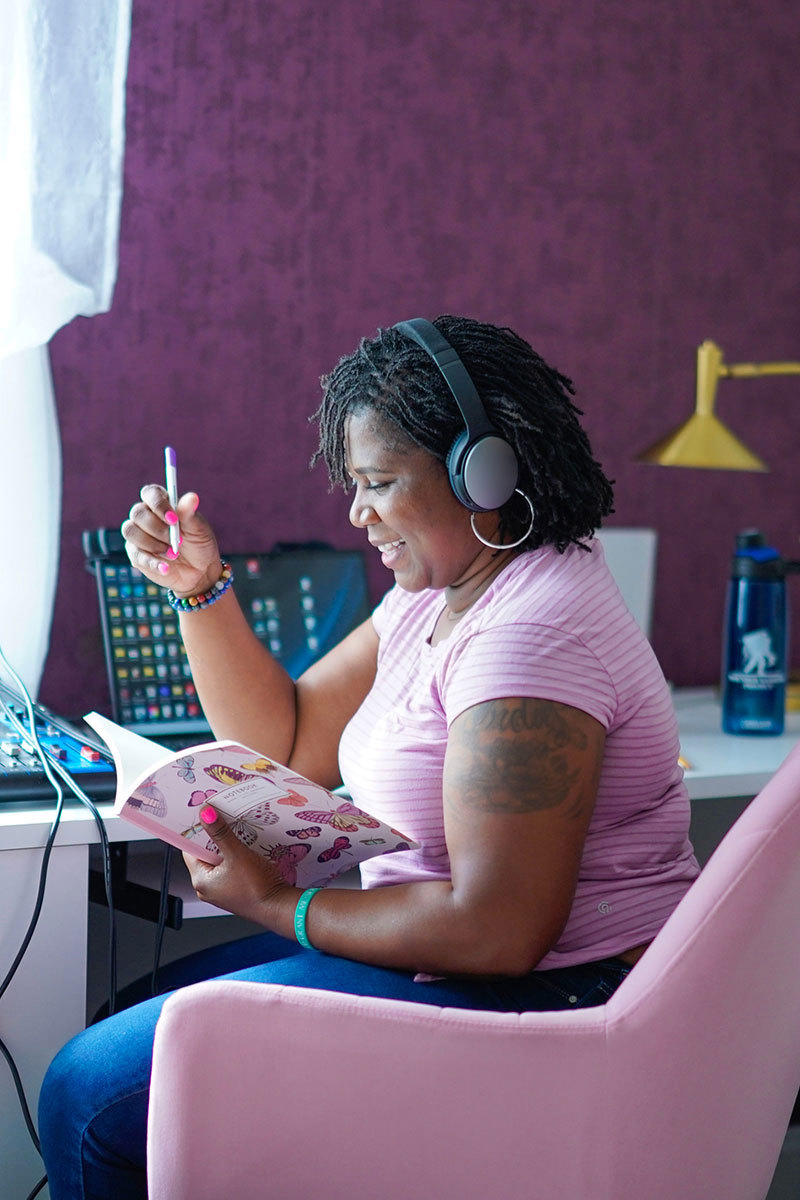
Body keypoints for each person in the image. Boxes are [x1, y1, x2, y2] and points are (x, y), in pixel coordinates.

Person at [38, 315, 699, 1198]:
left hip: (552, 1001)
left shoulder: (529, 635)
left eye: (380, 484)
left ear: (484, 472)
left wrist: (277, 902)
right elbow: (289, 741)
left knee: (90, 1094)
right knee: (125, 1032)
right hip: (469, 968)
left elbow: (496, 931)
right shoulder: (443, 591)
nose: (357, 514)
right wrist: (200, 589)